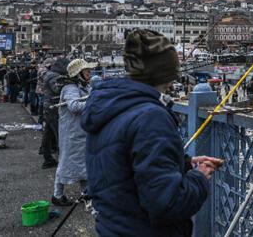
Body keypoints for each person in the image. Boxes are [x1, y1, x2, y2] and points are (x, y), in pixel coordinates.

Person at [82, 29, 222, 236]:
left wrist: (183, 164)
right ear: (167, 71)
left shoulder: (110, 106)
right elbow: (167, 205)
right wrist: (199, 177)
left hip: (113, 227)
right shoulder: (150, 117)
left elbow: (123, 165)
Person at [52, 59, 94, 206]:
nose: (90, 73)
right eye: (87, 71)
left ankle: (86, 193)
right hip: (71, 134)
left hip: (80, 133)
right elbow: (74, 106)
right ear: (78, 74)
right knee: (65, 164)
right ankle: (57, 195)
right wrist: (94, 101)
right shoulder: (70, 88)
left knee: (83, 164)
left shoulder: (84, 86)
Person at [40, 57, 69, 169]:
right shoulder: (54, 76)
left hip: (48, 106)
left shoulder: (50, 74)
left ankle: (48, 158)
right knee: (59, 134)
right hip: (53, 107)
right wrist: (67, 83)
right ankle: (62, 160)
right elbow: (57, 90)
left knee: (48, 134)